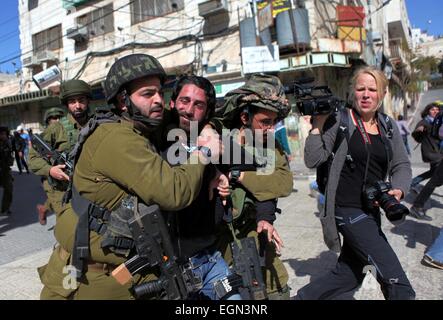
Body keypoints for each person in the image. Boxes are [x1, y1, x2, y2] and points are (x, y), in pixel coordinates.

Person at [38, 54, 221, 300]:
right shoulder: (118, 138)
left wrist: (209, 133)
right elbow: (174, 192)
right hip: (91, 278)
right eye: (147, 94)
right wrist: (204, 153)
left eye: (159, 92)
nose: (158, 100)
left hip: (120, 271)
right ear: (123, 101)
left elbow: (195, 118)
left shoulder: (138, 124)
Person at [296, 66, 415, 300]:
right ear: (353, 92)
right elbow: (313, 159)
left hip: (371, 209)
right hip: (346, 209)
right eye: (361, 89)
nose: (366, 94)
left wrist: (399, 189)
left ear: (381, 94)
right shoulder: (339, 121)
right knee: (398, 283)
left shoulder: (388, 126)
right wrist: (317, 126)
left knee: (349, 274)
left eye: (372, 89)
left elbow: (402, 164)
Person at [213, 73, 293, 299]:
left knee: (276, 288)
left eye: (274, 122)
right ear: (245, 117)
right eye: (265, 122)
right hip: (219, 237)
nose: (270, 129)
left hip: (253, 227)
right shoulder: (218, 139)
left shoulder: (268, 144)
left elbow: (282, 184)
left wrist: (238, 175)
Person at [162, 74, 241, 300]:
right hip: (176, 267)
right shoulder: (158, 141)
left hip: (210, 257)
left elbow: (250, 161)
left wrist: (223, 175)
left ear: (206, 112)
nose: (189, 109)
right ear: (172, 103)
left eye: (198, 105)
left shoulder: (212, 141)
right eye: (184, 101)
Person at [29, 80, 92, 225]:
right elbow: (32, 158)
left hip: (87, 185)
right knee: (69, 226)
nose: (77, 106)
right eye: (72, 101)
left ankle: (44, 208)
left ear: (88, 101)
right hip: (62, 189)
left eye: (81, 100)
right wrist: (50, 170)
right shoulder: (56, 129)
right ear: (67, 104)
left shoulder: (96, 124)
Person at [410, 108, 443, 220]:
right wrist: (419, 129)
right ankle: (417, 205)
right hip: (433, 153)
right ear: (428, 111)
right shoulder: (425, 121)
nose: (434, 111)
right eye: (432, 109)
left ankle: (413, 185)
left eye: (436, 110)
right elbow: (417, 131)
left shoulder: (435, 121)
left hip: (437, 153)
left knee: (433, 175)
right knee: (434, 180)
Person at [0, 127, 14, 216]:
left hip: (5, 170)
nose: (3, 136)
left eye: (4, 134)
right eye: (1, 134)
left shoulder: (8, 143)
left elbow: (10, 155)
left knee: (9, 189)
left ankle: (5, 208)